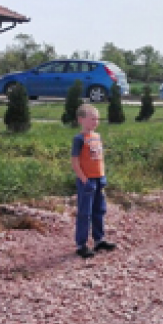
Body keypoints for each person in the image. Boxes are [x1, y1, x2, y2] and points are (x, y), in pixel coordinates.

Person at [71, 104, 116, 259]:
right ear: (81, 120)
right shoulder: (79, 139)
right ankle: (81, 244)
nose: (95, 122)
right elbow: (75, 162)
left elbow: (99, 159)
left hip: (99, 179)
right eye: (92, 119)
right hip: (87, 180)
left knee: (99, 210)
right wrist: (84, 180)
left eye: (97, 119)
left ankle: (99, 239)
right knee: (85, 212)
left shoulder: (97, 137)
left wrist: (102, 177)